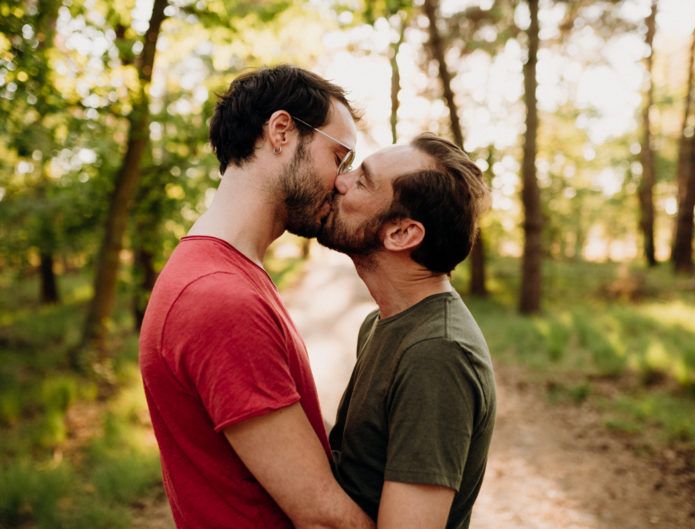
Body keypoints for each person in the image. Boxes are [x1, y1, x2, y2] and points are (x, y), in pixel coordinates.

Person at [139, 64, 374, 529]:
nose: (343, 181)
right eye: (339, 157)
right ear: (282, 131)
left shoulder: (229, 272)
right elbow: (324, 518)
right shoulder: (219, 298)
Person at [317, 133, 496, 529]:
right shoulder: (382, 322)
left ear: (401, 233)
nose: (340, 181)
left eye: (361, 181)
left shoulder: (437, 353)